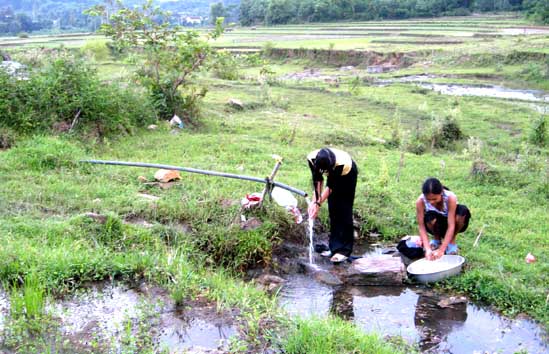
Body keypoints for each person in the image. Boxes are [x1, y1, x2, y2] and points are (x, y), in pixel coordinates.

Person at [307, 148, 358, 263]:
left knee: (343, 208)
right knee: (333, 209)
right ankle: (334, 248)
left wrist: (318, 203)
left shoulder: (341, 164)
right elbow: (318, 180)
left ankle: (344, 251)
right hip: (334, 176)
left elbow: (330, 186)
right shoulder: (312, 159)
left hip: (347, 176)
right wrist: (314, 202)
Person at [416, 177, 471, 261]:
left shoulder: (450, 197)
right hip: (435, 224)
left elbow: (451, 225)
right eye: (428, 199)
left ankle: (451, 241)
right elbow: (421, 226)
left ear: (441, 192)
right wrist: (427, 249)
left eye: (434, 199)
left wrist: (442, 250)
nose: (431, 202)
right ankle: (436, 240)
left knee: (462, 211)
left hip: (450, 223)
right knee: (429, 216)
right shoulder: (420, 201)